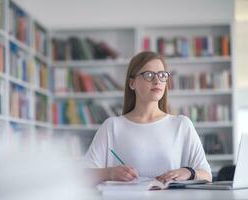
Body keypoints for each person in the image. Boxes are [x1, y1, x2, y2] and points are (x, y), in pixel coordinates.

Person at [83, 51, 212, 185]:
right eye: (149, 75)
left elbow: (207, 175)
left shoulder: (182, 125)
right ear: (132, 83)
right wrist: (109, 173)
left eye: (162, 75)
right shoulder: (112, 126)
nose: (157, 81)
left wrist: (189, 172)